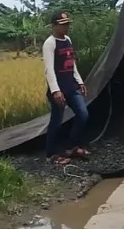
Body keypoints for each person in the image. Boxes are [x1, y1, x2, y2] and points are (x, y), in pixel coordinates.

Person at [43, 11, 90, 165]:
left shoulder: (68, 40)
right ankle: (51, 154)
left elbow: (72, 63)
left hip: (71, 86)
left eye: (67, 24)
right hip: (59, 90)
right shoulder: (50, 43)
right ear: (54, 25)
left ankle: (71, 146)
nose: (66, 28)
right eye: (62, 25)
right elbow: (49, 70)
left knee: (83, 114)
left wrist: (80, 81)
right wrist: (55, 91)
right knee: (56, 121)